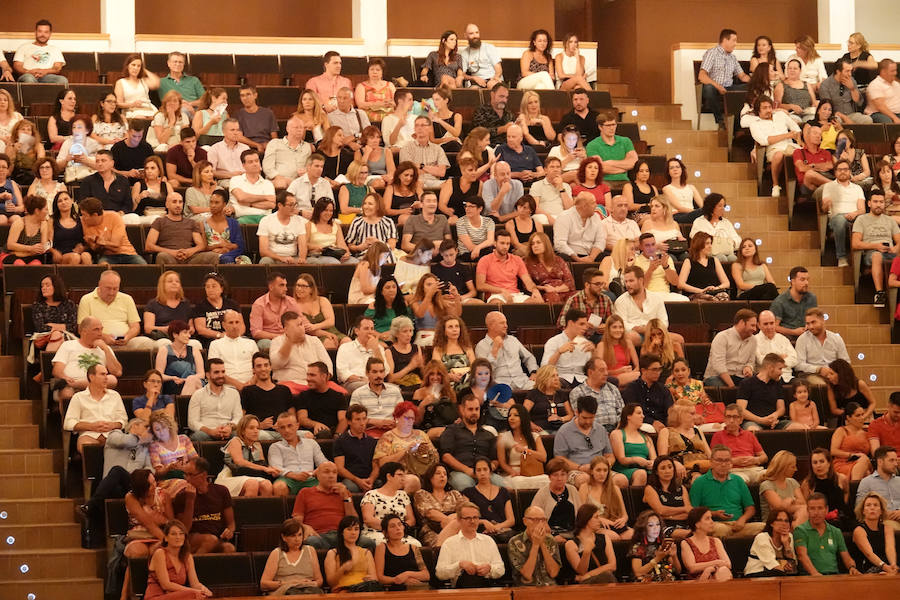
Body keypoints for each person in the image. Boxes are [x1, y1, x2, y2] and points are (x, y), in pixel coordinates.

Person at [689, 445, 764, 538]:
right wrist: (714, 514)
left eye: (727, 460)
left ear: (731, 463)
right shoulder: (700, 482)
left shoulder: (738, 480)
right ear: (711, 462)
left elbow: (750, 508)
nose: (723, 464)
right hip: (714, 525)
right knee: (721, 530)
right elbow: (693, 512)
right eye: (719, 460)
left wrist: (742, 520)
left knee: (764, 528)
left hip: (738, 525)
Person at [291, 461, 368, 550]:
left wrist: (346, 498)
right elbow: (296, 520)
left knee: (368, 543)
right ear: (318, 476)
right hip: (319, 536)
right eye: (326, 472)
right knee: (311, 542)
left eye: (334, 472)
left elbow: (353, 521)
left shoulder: (344, 493)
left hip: (343, 536)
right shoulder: (305, 492)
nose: (331, 475)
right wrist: (305, 527)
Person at [553, 395, 624, 489]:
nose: (588, 421)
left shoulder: (601, 429)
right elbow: (559, 458)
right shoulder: (564, 431)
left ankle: (606, 503)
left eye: (591, 418)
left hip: (600, 469)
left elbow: (610, 456)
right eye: (585, 418)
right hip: (576, 470)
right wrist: (580, 468)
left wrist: (603, 466)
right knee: (584, 480)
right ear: (577, 412)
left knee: (621, 480)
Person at [75, 270, 154, 351]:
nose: (111, 293)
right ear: (100, 285)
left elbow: (135, 326)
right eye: (108, 288)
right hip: (98, 341)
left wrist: (127, 337)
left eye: (115, 289)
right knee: (97, 344)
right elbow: (82, 329)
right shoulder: (86, 299)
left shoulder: (127, 299)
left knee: (147, 342)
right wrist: (103, 337)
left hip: (126, 342)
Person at [62, 362, 128, 455]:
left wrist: (112, 425)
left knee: (123, 445)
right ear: (91, 377)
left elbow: (123, 420)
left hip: (112, 435)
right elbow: (68, 423)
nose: (106, 377)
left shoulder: (115, 395)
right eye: (102, 374)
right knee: (87, 447)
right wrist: (91, 426)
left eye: (106, 374)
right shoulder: (78, 397)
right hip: (89, 435)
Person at [439, 395, 503, 490]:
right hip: (460, 472)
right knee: (467, 486)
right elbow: (446, 456)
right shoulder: (451, 431)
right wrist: (467, 470)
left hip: (484, 472)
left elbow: (495, 459)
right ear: (462, 410)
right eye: (470, 409)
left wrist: (489, 468)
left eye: (477, 409)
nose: (474, 412)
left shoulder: (488, 435)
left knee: (502, 485)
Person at [435, 502, 505, 587]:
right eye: (468, 518)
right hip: (460, 590)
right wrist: (459, 565)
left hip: (486, 587)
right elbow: (440, 573)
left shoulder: (488, 541)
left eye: (475, 517)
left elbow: (501, 569)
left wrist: (490, 568)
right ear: (459, 520)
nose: (472, 521)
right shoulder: (449, 543)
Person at [143, 519, 212, 599]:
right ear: (166, 538)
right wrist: (193, 591)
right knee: (193, 595)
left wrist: (204, 590)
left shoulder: (187, 557)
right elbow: (166, 585)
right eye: (173, 534)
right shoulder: (160, 553)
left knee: (203, 595)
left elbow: (195, 584)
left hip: (177, 596)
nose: (178, 537)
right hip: (157, 597)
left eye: (181, 534)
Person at [852, 193, 900, 307]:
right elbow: (855, 243)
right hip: (871, 253)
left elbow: (899, 240)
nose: (878, 205)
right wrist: (876, 246)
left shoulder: (890, 220)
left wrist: (895, 248)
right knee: (877, 255)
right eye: (875, 202)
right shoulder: (861, 220)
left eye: (881, 202)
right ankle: (879, 293)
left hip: (889, 252)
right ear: (869, 203)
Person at [749, 97, 803, 197]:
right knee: (779, 155)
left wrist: (799, 141)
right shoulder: (755, 124)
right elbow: (764, 141)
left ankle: (801, 188)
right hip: (773, 149)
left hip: (790, 145)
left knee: (802, 153)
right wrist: (787, 135)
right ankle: (775, 185)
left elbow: (796, 129)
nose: (768, 110)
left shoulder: (780, 115)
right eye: (764, 108)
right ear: (758, 110)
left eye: (770, 107)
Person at [796, 493, 861, 575]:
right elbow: (802, 556)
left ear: (826, 510)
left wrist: (852, 567)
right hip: (810, 579)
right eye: (812, 508)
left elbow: (846, 557)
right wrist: (816, 575)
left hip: (833, 578)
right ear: (807, 510)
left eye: (820, 508)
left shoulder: (836, 532)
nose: (816, 512)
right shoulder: (800, 530)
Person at [144, 193, 219, 265]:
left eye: (180, 202)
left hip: (190, 258)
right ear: (167, 205)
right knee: (162, 256)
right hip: (169, 257)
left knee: (213, 256)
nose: (178, 205)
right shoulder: (159, 221)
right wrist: (172, 252)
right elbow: (149, 246)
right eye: (174, 202)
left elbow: (201, 245)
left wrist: (189, 252)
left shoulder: (191, 222)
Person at [269, 311, 333, 394]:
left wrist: (322, 379)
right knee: (282, 392)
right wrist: (289, 342)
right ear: (286, 330)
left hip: (317, 384)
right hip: (290, 384)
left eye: (301, 324)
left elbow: (328, 365)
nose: (301, 328)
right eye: (297, 326)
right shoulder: (277, 342)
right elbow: (276, 364)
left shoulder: (314, 340)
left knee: (341, 393)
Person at [260, 518, 325, 595]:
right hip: (286, 590)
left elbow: (319, 580)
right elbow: (263, 584)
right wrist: (288, 583)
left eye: (300, 535)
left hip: (308, 589)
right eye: (293, 536)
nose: (297, 539)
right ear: (284, 537)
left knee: (315, 593)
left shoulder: (310, 550)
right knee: (294, 593)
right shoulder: (277, 553)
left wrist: (312, 584)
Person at [268, 412, 327, 496]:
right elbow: (276, 468)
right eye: (282, 427)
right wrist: (295, 475)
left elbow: (323, 462)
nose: (286, 430)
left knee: (328, 482)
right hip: (288, 479)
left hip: (310, 478)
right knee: (279, 486)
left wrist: (314, 472)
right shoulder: (275, 447)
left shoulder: (311, 443)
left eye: (289, 426)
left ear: (297, 426)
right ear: (278, 430)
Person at [698, 28, 750, 126]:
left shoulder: (732, 58)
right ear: (725, 40)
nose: (735, 43)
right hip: (714, 87)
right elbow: (702, 76)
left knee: (750, 87)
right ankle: (721, 121)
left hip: (728, 88)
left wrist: (756, 81)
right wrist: (718, 86)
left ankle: (739, 123)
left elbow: (742, 76)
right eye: (734, 40)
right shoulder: (712, 53)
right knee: (709, 89)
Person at [474, 311, 537, 391]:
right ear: (491, 325)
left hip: (522, 382)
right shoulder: (481, 346)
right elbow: (483, 372)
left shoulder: (513, 340)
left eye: (506, 323)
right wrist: (494, 350)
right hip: (500, 384)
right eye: (502, 323)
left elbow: (529, 357)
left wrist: (534, 372)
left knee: (541, 389)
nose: (506, 326)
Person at [476, 230, 543, 304]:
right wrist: (501, 290)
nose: (505, 247)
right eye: (502, 243)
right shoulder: (485, 260)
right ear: (495, 243)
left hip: (515, 294)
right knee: (497, 303)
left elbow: (527, 281)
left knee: (537, 302)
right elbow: (480, 285)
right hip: (496, 295)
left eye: (508, 244)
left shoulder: (517, 259)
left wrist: (535, 290)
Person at [615, 266, 675, 347]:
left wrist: (653, 330)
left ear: (641, 280)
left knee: (679, 339)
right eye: (626, 282)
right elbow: (621, 323)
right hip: (635, 334)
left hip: (655, 332)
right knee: (631, 337)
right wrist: (636, 328)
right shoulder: (621, 301)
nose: (628, 285)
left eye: (631, 281)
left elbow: (664, 321)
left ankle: (675, 360)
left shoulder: (656, 298)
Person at [360, 462, 418, 546]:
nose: (403, 479)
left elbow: (411, 520)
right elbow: (368, 519)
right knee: (383, 543)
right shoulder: (371, 494)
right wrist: (390, 529)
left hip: (399, 534)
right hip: (377, 533)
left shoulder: (403, 495)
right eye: (400, 475)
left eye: (404, 476)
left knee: (416, 544)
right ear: (389, 476)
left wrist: (399, 529)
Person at [737, 353, 799, 431]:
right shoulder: (747, 383)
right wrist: (761, 420)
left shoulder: (777, 383)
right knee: (753, 430)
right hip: (753, 421)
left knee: (801, 428)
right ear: (770, 368)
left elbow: (781, 408)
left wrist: (774, 416)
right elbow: (741, 410)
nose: (781, 373)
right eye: (779, 369)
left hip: (774, 422)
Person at [578, 456, 633, 539]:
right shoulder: (585, 488)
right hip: (595, 526)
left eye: (605, 470)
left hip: (614, 523)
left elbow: (624, 515)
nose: (602, 474)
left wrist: (623, 520)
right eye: (598, 470)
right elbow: (581, 514)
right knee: (613, 536)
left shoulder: (615, 488)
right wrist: (599, 519)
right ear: (592, 471)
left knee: (633, 534)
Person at [710, 404, 768, 484]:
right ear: (724, 419)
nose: (731, 420)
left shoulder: (749, 435)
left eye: (735, 417)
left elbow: (764, 457)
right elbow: (713, 460)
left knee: (772, 476)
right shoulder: (718, 436)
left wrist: (755, 460)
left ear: (741, 420)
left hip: (754, 469)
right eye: (728, 417)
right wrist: (733, 461)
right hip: (734, 470)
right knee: (739, 480)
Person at [186, 359, 241, 442]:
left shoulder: (234, 393)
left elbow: (238, 417)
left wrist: (230, 427)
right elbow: (192, 422)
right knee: (198, 436)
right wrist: (210, 431)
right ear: (208, 375)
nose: (221, 375)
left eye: (223, 372)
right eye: (216, 372)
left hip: (228, 432)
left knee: (240, 435)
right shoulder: (198, 395)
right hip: (206, 432)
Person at [462, 456, 515, 541]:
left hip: (502, 531)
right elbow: (465, 518)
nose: (482, 473)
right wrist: (483, 522)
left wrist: (496, 527)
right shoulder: (468, 493)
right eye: (479, 470)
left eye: (485, 469)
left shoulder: (503, 492)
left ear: (490, 472)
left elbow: (511, 520)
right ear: (475, 473)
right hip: (480, 531)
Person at [496, 403, 549, 489]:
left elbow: (543, 457)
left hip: (532, 472)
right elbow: (502, 462)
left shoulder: (535, 436)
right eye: (509, 415)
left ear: (523, 418)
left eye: (516, 415)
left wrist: (525, 450)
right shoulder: (503, 437)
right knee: (519, 482)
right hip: (515, 473)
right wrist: (512, 472)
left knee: (546, 480)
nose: (511, 418)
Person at [413, 464, 466, 547]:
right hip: (432, 530)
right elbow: (431, 513)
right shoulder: (421, 494)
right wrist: (451, 522)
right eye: (438, 473)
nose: (442, 476)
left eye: (445, 474)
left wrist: (452, 522)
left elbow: (465, 511)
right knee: (448, 545)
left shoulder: (455, 494)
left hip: (457, 528)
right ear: (430, 477)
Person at [702, 309, 758, 388]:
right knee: (721, 387)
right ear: (742, 322)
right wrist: (732, 386)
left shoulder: (753, 340)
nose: (755, 329)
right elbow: (718, 366)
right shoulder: (722, 337)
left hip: (740, 377)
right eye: (752, 325)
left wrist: (748, 368)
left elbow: (751, 362)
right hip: (717, 377)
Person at [350, 358, 403, 439]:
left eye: (381, 372)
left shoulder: (395, 391)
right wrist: (375, 422)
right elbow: (354, 418)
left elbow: (402, 414)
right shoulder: (358, 393)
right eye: (374, 372)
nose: (379, 375)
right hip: (367, 435)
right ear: (367, 373)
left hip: (393, 433)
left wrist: (396, 423)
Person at [795, 307, 850, 385]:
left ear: (823, 320)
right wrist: (819, 369)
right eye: (808, 323)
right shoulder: (802, 339)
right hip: (812, 374)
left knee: (858, 383)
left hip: (834, 372)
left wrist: (835, 373)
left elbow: (846, 361)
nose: (810, 327)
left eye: (813, 322)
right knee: (822, 384)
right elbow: (798, 365)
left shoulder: (836, 338)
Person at [563, 504, 617, 583]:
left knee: (607, 576)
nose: (600, 520)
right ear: (586, 519)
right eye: (596, 517)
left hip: (603, 579)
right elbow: (581, 571)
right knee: (608, 577)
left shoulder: (604, 538)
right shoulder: (571, 544)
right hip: (585, 585)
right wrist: (586, 552)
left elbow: (612, 565)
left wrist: (589, 574)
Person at [337, 316, 392, 394]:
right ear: (356, 331)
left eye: (372, 329)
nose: (370, 332)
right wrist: (363, 380)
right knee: (366, 388)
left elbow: (385, 372)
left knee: (395, 390)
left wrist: (376, 350)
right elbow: (342, 374)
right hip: (353, 383)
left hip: (376, 382)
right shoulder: (345, 347)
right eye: (366, 328)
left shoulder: (378, 348)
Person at [375, 514, 430, 590]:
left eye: (400, 525)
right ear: (385, 533)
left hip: (416, 589)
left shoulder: (413, 547)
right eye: (392, 526)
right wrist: (399, 580)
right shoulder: (382, 547)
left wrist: (407, 574)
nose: (398, 528)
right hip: (394, 590)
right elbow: (379, 577)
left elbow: (426, 575)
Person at [324, 516, 380, 592]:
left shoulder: (366, 552)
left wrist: (370, 578)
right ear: (341, 532)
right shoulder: (333, 553)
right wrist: (342, 569)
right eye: (349, 529)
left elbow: (374, 578)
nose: (353, 533)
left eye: (356, 529)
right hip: (343, 589)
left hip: (364, 588)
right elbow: (331, 583)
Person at [557, 267, 614, 338]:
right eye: (597, 284)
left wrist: (606, 326)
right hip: (578, 337)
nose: (601, 287)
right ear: (587, 285)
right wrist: (582, 325)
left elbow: (613, 321)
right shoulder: (574, 300)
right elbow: (561, 323)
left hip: (598, 336)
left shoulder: (606, 299)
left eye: (602, 284)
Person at [658, 403, 712, 478]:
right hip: (682, 469)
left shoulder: (698, 431)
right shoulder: (666, 431)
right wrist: (674, 463)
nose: (695, 417)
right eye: (692, 414)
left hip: (703, 467)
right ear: (681, 415)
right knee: (697, 477)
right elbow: (662, 458)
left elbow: (710, 455)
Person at [569, 358, 623, 433]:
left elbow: (622, 412)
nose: (606, 373)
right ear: (590, 372)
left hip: (616, 431)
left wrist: (617, 431)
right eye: (602, 370)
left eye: (606, 370)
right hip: (593, 431)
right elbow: (582, 418)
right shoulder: (578, 392)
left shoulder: (613, 389)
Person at [621, 357, 674, 434]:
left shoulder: (663, 389)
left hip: (663, 425)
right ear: (643, 370)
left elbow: (670, 411)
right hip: (641, 423)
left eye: (659, 369)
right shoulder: (632, 388)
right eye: (654, 369)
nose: (658, 372)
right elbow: (631, 412)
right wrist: (652, 422)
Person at [542, 309, 594, 386]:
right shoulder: (554, 341)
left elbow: (593, 368)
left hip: (582, 379)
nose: (585, 328)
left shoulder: (585, 343)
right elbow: (544, 368)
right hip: (561, 378)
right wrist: (558, 352)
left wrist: (594, 352)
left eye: (586, 325)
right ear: (570, 323)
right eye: (581, 324)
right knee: (556, 383)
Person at [643, 456, 693, 536]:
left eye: (670, 467)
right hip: (661, 526)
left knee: (703, 532)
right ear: (656, 472)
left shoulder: (681, 488)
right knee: (689, 534)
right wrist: (683, 509)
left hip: (684, 524)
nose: (667, 471)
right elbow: (661, 511)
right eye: (663, 468)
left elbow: (688, 512)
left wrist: (669, 515)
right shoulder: (650, 488)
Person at [851, 491, 899, 573]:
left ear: (881, 511)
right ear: (863, 511)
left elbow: (890, 549)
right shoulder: (859, 530)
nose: (872, 508)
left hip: (886, 568)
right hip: (867, 569)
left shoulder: (887, 528)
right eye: (868, 505)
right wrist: (885, 567)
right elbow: (869, 554)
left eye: (876, 505)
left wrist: (893, 565)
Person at [31, 273, 78, 357]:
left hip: (67, 337)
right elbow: (41, 328)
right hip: (44, 339)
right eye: (42, 286)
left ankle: (48, 366)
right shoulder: (38, 305)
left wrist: (51, 325)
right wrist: (61, 328)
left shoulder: (69, 304)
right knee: (57, 335)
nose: (44, 288)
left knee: (58, 336)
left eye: (47, 285)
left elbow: (73, 327)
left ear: (56, 286)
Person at [680, 507, 733, 580]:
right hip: (697, 581)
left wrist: (711, 568)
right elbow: (692, 568)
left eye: (711, 518)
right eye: (707, 518)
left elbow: (728, 564)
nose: (712, 522)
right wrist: (715, 563)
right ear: (697, 524)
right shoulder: (686, 543)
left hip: (717, 575)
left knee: (723, 570)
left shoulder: (716, 541)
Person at [142, 271, 194, 345]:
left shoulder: (185, 303)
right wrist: (168, 329)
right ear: (162, 285)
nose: (174, 283)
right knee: (166, 343)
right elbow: (148, 328)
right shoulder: (153, 304)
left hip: (182, 337)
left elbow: (191, 327)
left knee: (195, 344)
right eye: (170, 281)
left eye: (177, 281)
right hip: (161, 338)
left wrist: (188, 330)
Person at [249, 272, 298, 351]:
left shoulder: (291, 302)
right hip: (268, 340)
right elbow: (256, 332)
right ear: (271, 287)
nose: (286, 289)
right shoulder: (259, 304)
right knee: (267, 344)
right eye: (282, 285)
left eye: (286, 285)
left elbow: (301, 324)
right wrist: (279, 337)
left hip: (289, 338)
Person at [855, 446, 900, 529]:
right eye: (891, 460)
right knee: (891, 527)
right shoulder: (867, 482)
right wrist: (882, 514)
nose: (896, 464)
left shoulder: (899, 481)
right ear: (880, 462)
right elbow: (859, 509)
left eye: (896, 460)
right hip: (882, 521)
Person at [629, 510, 681, 582]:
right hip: (647, 583)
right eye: (651, 525)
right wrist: (658, 558)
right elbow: (638, 573)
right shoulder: (638, 547)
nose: (655, 528)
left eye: (658, 524)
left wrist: (674, 556)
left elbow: (678, 571)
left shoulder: (663, 544)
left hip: (667, 581)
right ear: (643, 527)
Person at [155, 321, 204, 396]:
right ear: (175, 334)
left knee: (192, 380)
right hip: (173, 385)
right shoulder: (164, 350)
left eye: (189, 333)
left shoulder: (194, 350)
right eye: (185, 333)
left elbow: (201, 374)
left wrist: (186, 380)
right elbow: (159, 375)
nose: (189, 336)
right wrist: (172, 378)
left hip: (194, 384)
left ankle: (183, 404)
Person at [399, 116, 449, 190]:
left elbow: (441, 172)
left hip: (434, 182)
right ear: (414, 129)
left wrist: (421, 166)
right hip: (414, 182)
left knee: (449, 184)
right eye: (417, 125)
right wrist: (433, 169)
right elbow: (408, 171)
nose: (419, 128)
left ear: (430, 128)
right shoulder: (406, 148)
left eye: (423, 125)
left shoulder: (438, 149)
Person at [263, 116, 312, 190]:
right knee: (281, 184)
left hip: (299, 181)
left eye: (302, 128)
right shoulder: (274, 143)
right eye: (296, 127)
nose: (299, 130)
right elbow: (267, 167)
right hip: (278, 180)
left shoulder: (307, 146)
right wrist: (280, 178)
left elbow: (308, 167)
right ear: (287, 129)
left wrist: (305, 172)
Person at [229, 149, 276, 224]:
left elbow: (271, 205)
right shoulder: (236, 180)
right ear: (243, 165)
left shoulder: (268, 183)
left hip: (264, 218)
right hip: (243, 218)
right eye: (250, 162)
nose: (255, 164)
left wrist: (249, 204)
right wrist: (265, 197)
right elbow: (241, 197)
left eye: (257, 161)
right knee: (238, 224)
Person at [75, 149, 130, 214]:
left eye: (103, 161)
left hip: (119, 217)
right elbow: (83, 205)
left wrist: (121, 213)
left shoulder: (123, 181)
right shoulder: (87, 182)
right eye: (97, 161)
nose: (100, 164)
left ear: (112, 163)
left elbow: (128, 204)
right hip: (95, 217)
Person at [820, 57, 872, 124]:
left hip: (851, 114)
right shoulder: (825, 85)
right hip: (835, 115)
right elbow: (827, 107)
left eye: (851, 71)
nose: (850, 74)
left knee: (868, 120)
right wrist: (842, 116)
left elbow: (859, 103)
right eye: (847, 71)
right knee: (836, 121)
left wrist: (852, 89)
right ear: (838, 71)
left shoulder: (852, 80)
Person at [793, 125, 836, 203]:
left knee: (810, 173)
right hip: (807, 186)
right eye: (815, 133)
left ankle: (833, 186)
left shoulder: (825, 152)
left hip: (821, 184)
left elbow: (829, 166)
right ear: (807, 135)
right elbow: (801, 168)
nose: (818, 136)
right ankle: (837, 186)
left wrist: (812, 165)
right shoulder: (799, 152)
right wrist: (820, 167)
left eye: (820, 134)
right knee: (809, 174)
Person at [3, 193, 49, 264]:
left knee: (36, 264)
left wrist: (41, 248)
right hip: (13, 255)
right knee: (19, 263)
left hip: (32, 256)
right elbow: (10, 245)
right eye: (46, 209)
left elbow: (43, 247)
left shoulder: (44, 224)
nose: (47, 212)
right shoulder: (19, 223)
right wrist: (31, 249)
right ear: (37, 211)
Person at [754, 310, 798, 384]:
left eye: (772, 323)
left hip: (787, 378)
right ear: (759, 325)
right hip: (766, 380)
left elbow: (794, 360)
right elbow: (761, 361)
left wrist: (772, 359)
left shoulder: (783, 339)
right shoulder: (754, 341)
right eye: (765, 324)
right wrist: (780, 357)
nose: (769, 327)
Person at [524, 365, 572, 433]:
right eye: (553, 376)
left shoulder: (561, 394)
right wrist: (532, 425)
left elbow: (570, 415)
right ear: (543, 378)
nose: (556, 378)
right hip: (540, 429)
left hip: (560, 429)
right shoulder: (533, 394)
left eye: (557, 375)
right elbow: (523, 414)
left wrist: (561, 418)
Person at [124, 155, 170, 225]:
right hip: (143, 218)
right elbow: (131, 209)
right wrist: (139, 197)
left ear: (159, 170)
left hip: (163, 218)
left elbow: (173, 204)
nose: (149, 171)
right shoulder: (138, 185)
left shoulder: (166, 185)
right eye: (147, 168)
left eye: (152, 168)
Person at [599, 314, 640, 388]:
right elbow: (599, 371)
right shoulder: (602, 345)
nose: (618, 330)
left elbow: (637, 367)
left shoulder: (628, 343)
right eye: (614, 327)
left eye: (620, 327)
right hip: (610, 378)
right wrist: (619, 371)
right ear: (608, 329)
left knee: (639, 375)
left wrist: (632, 373)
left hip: (629, 376)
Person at [207, 119, 250, 187]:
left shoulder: (245, 148)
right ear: (224, 132)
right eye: (232, 130)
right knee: (234, 186)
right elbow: (212, 172)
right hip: (226, 180)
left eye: (237, 130)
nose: (236, 133)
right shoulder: (215, 149)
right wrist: (230, 175)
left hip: (245, 178)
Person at [234, 84, 277, 152]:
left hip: (267, 147)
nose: (245, 98)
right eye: (242, 95)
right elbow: (239, 137)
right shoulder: (238, 115)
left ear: (255, 95)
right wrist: (257, 145)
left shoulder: (268, 113)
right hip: (246, 147)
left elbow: (274, 137)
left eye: (248, 94)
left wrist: (269, 145)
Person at [459, 24, 503, 89]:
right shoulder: (464, 53)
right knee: (473, 90)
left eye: (477, 33)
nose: (475, 36)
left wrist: (495, 78)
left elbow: (498, 69)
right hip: (477, 82)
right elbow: (462, 74)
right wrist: (473, 78)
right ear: (466, 36)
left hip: (493, 79)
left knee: (491, 85)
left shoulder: (489, 48)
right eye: (471, 33)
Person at [355, 58, 396, 125]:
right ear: (368, 71)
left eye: (378, 70)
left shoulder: (390, 85)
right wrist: (377, 104)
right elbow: (360, 104)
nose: (375, 72)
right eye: (372, 69)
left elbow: (396, 102)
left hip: (389, 118)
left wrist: (389, 103)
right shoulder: (361, 86)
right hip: (368, 120)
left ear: (382, 72)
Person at [775, 59, 816, 123]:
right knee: (795, 121)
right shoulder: (781, 85)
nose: (792, 71)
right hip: (791, 114)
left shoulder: (807, 84)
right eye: (790, 68)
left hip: (808, 113)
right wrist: (790, 106)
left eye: (795, 68)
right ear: (786, 70)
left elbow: (814, 103)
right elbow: (777, 105)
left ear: (800, 70)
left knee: (812, 121)